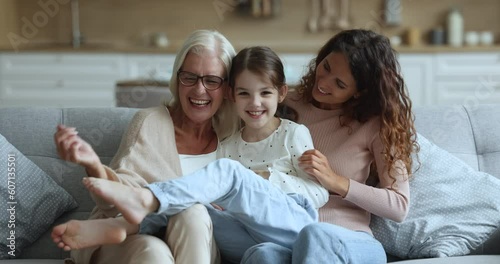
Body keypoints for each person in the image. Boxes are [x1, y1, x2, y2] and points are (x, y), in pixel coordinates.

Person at [76, 46, 328, 264]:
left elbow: (319, 193)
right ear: (231, 95)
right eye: (244, 93)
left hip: (290, 228)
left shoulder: (292, 134)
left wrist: (266, 178)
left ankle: (136, 209)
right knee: (193, 205)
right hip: (248, 240)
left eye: (265, 93)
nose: (255, 103)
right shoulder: (228, 143)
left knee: (229, 173)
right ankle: (126, 226)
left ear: (281, 93)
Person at [51, 29, 240, 264]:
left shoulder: (237, 138)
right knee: (154, 254)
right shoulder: (150, 122)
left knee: (193, 211)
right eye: (189, 77)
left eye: (212, 80)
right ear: (177, 78)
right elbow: (112, 203)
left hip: (198, 243)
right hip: (132, 241)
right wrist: (93, 166)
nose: (199, 90)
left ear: (228, 88)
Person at [239, 29, 420, 264]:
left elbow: (399, 206)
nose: (322, 82)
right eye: (325, 67)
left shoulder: (376, 124)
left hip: (352, 241)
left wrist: (334, 180)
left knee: (315, 234)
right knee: (262, 253)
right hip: (291, 237)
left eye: (340, 83)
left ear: (360, 92)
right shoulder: (284, 102)